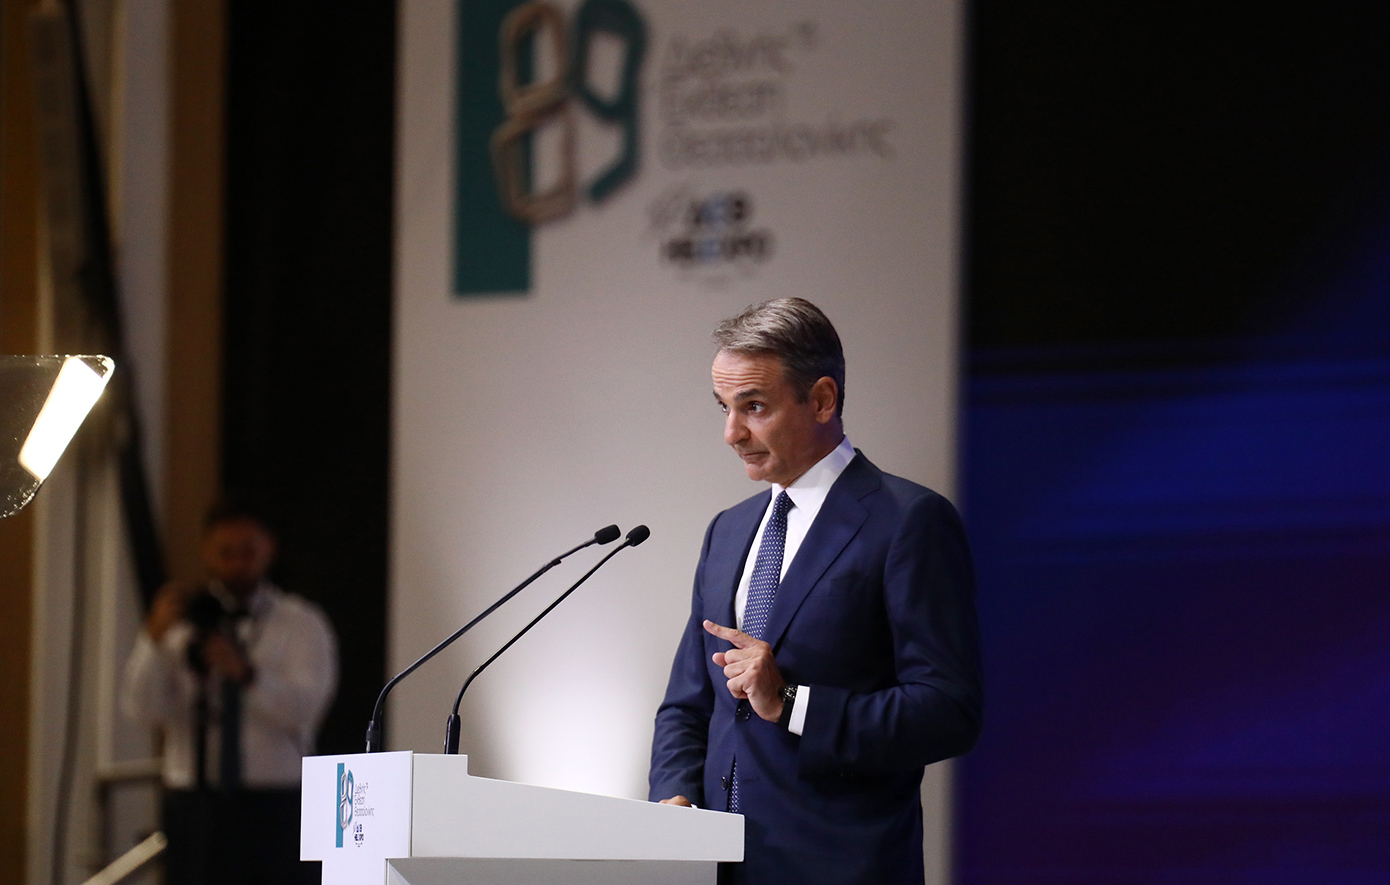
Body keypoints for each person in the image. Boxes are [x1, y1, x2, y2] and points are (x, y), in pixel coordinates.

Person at [649, 298, 983, 885]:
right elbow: (689, 701)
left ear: (823, 400)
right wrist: (673, 796)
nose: (732, 433)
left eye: (754, 407)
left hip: (839, 866)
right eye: (725, 407)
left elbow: (948, 710)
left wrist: (791, 702)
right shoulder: (727, 530)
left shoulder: (908, 521)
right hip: (716, 868)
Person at [122, 501, 338, 885]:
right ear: (206, 552)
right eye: (226, 552)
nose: (238, 563)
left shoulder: (302, 623)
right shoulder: (184, 621)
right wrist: (153, 639)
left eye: (248, 551)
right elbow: (141, 707)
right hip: (192, 798)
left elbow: (307, 708)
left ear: (269, 549)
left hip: (277, 800)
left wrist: (247, 674)